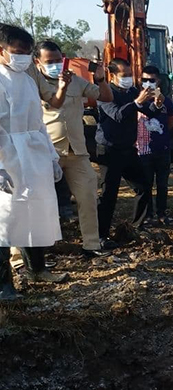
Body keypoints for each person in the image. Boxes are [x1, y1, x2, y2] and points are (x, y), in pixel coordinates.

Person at [0, 24, 68, 300]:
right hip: (7, 156)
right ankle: (3, 284)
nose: (24, 58)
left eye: (27, 53)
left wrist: (51, 157)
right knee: (4, 219)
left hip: (32, 154)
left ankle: (37, 269)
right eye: (18, 52)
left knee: (33, 212)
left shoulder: (27, 81)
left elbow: (39, 124)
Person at [34, 40, 113, 257]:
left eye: (58, 60)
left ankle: (91, 245)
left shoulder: (75, 80)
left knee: (88, 197)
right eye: (49, 61)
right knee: (39, 202)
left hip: (76, 151)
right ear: (37, 62)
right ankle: (37, 254)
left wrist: (100, 79)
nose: (55, 65)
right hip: (47, 152)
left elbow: (106, 97)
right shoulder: (33, 83)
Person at [96, 58, 153, 245]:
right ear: (112, 75)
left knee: (143, 186)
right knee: (109, 194)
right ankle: (101, 235)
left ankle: (137, 226)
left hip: (128, 148)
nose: (128, 78)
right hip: (109, 150)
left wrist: (157, 104)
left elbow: (149, 110)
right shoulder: (105, 93)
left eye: (130, 74)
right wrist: (137, 102)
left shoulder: (132, 91)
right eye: (124, 75)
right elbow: (118, 115)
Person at [136, 65, 173, 227]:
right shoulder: (137, 100)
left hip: (162, 150)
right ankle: (147, 215)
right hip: (142, 150)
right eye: (144, 80)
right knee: (145, 185)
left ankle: (162, 213)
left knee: (162, 184)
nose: (148, 83)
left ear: (158, 81)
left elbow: (170, 121)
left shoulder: (166, 102)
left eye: (151, 80)